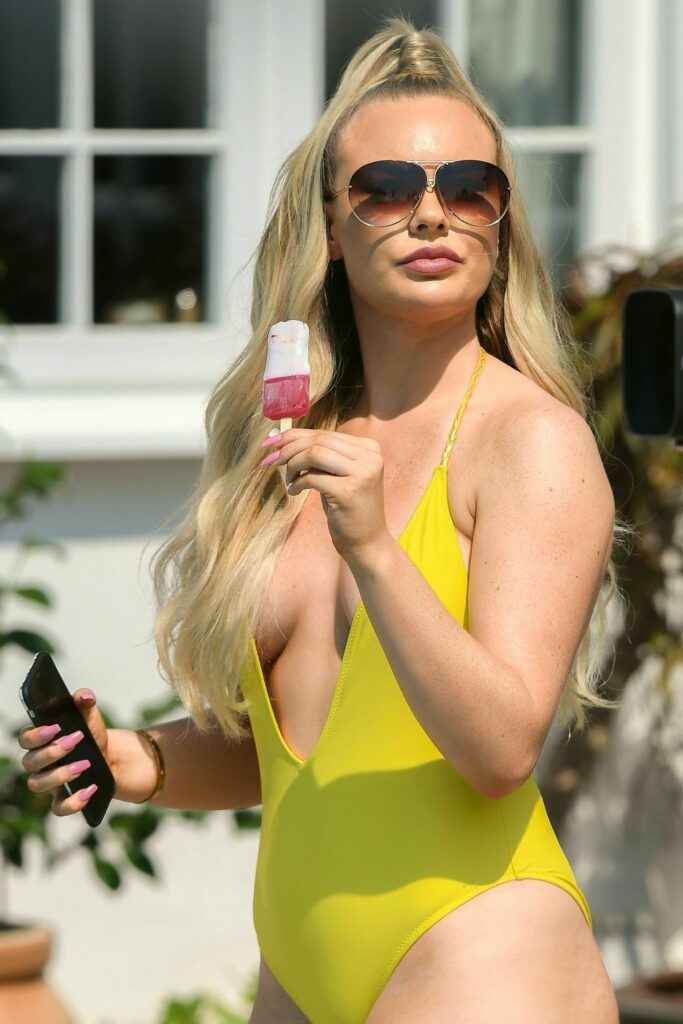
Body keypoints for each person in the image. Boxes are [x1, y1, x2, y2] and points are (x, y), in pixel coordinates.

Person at [18, 15, 630, 1023]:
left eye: (467, 187)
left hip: (476, 951)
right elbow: (307, 744)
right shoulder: (296, 438)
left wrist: (375, 550)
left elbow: (498, 749)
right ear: (332, 230)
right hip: (298, 966)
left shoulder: (529, 440)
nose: (429, 214)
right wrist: (140, 759)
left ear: (500, 222)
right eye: (384, 188)